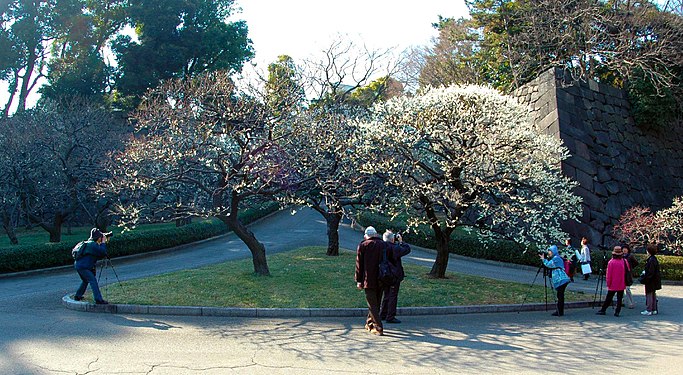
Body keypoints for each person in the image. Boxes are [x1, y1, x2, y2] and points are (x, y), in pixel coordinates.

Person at [355, 226, 392, 335]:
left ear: (366, 235)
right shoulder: (383, 244)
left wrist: (359, 280)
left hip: (368, 279)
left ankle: (378, 327)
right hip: (382, 278)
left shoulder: (363, 245)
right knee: (376, 302)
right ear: (375, 234)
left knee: (372, 304)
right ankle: (369, 323)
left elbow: (359, 265)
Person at [380, 230, 411, 324]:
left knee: (386, 294)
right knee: (393, 295)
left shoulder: (381, 247)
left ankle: (383, 314)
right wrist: (401, 241)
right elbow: (406, 249)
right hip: (394, 274)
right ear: (393, 239)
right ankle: (390, 316)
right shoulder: (394, 248)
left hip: (383, 273)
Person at [74, 228, 111, 304]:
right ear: (98, 238)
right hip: (84, 267)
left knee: (85, 280)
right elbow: (103, 252)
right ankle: (98, 299)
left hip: (79, 265)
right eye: (101, 237)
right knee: (93, 281)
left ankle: (78, 295)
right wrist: (103, 242)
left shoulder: (88, 243)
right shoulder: (92, 245)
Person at [596, 246, 629, 317]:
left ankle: (603, 309)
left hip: (613, 283)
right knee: (619, 298)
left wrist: (608, 283)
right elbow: (628, 270)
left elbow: (609, 274)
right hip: (621, 282)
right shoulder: (624, 261)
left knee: (609, 297)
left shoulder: (611, 262)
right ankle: (617, 311)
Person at [539, 245, 571, 316]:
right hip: (561, 279)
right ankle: (560, 310)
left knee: (560, 295)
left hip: (561, 279)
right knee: (560, 295)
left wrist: (543, 259)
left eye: (550, 251)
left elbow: (549, 264)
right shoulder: (556, 258)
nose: (549, 253)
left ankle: (560, 311)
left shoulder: (556, 258)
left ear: (553, 251)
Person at [640, 243, 662, 316]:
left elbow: (650, 272)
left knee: (649, 294)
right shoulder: (654, 259)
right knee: (653, 294)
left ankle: (649, 309)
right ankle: (654, 309)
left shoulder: (651, 260)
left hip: (651, 280)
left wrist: (645, 276)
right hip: (655, 280)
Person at [622, 244, 638, 309]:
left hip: (628, 274)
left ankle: (631, 303)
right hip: (621, 274)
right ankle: (621, 301)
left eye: (626, 249)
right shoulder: (620, 256)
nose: (624, 250)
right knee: (620, 289)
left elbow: (636, 263)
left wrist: (630, 268)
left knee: (628, 289)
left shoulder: (630, 256)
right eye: (623, 249)